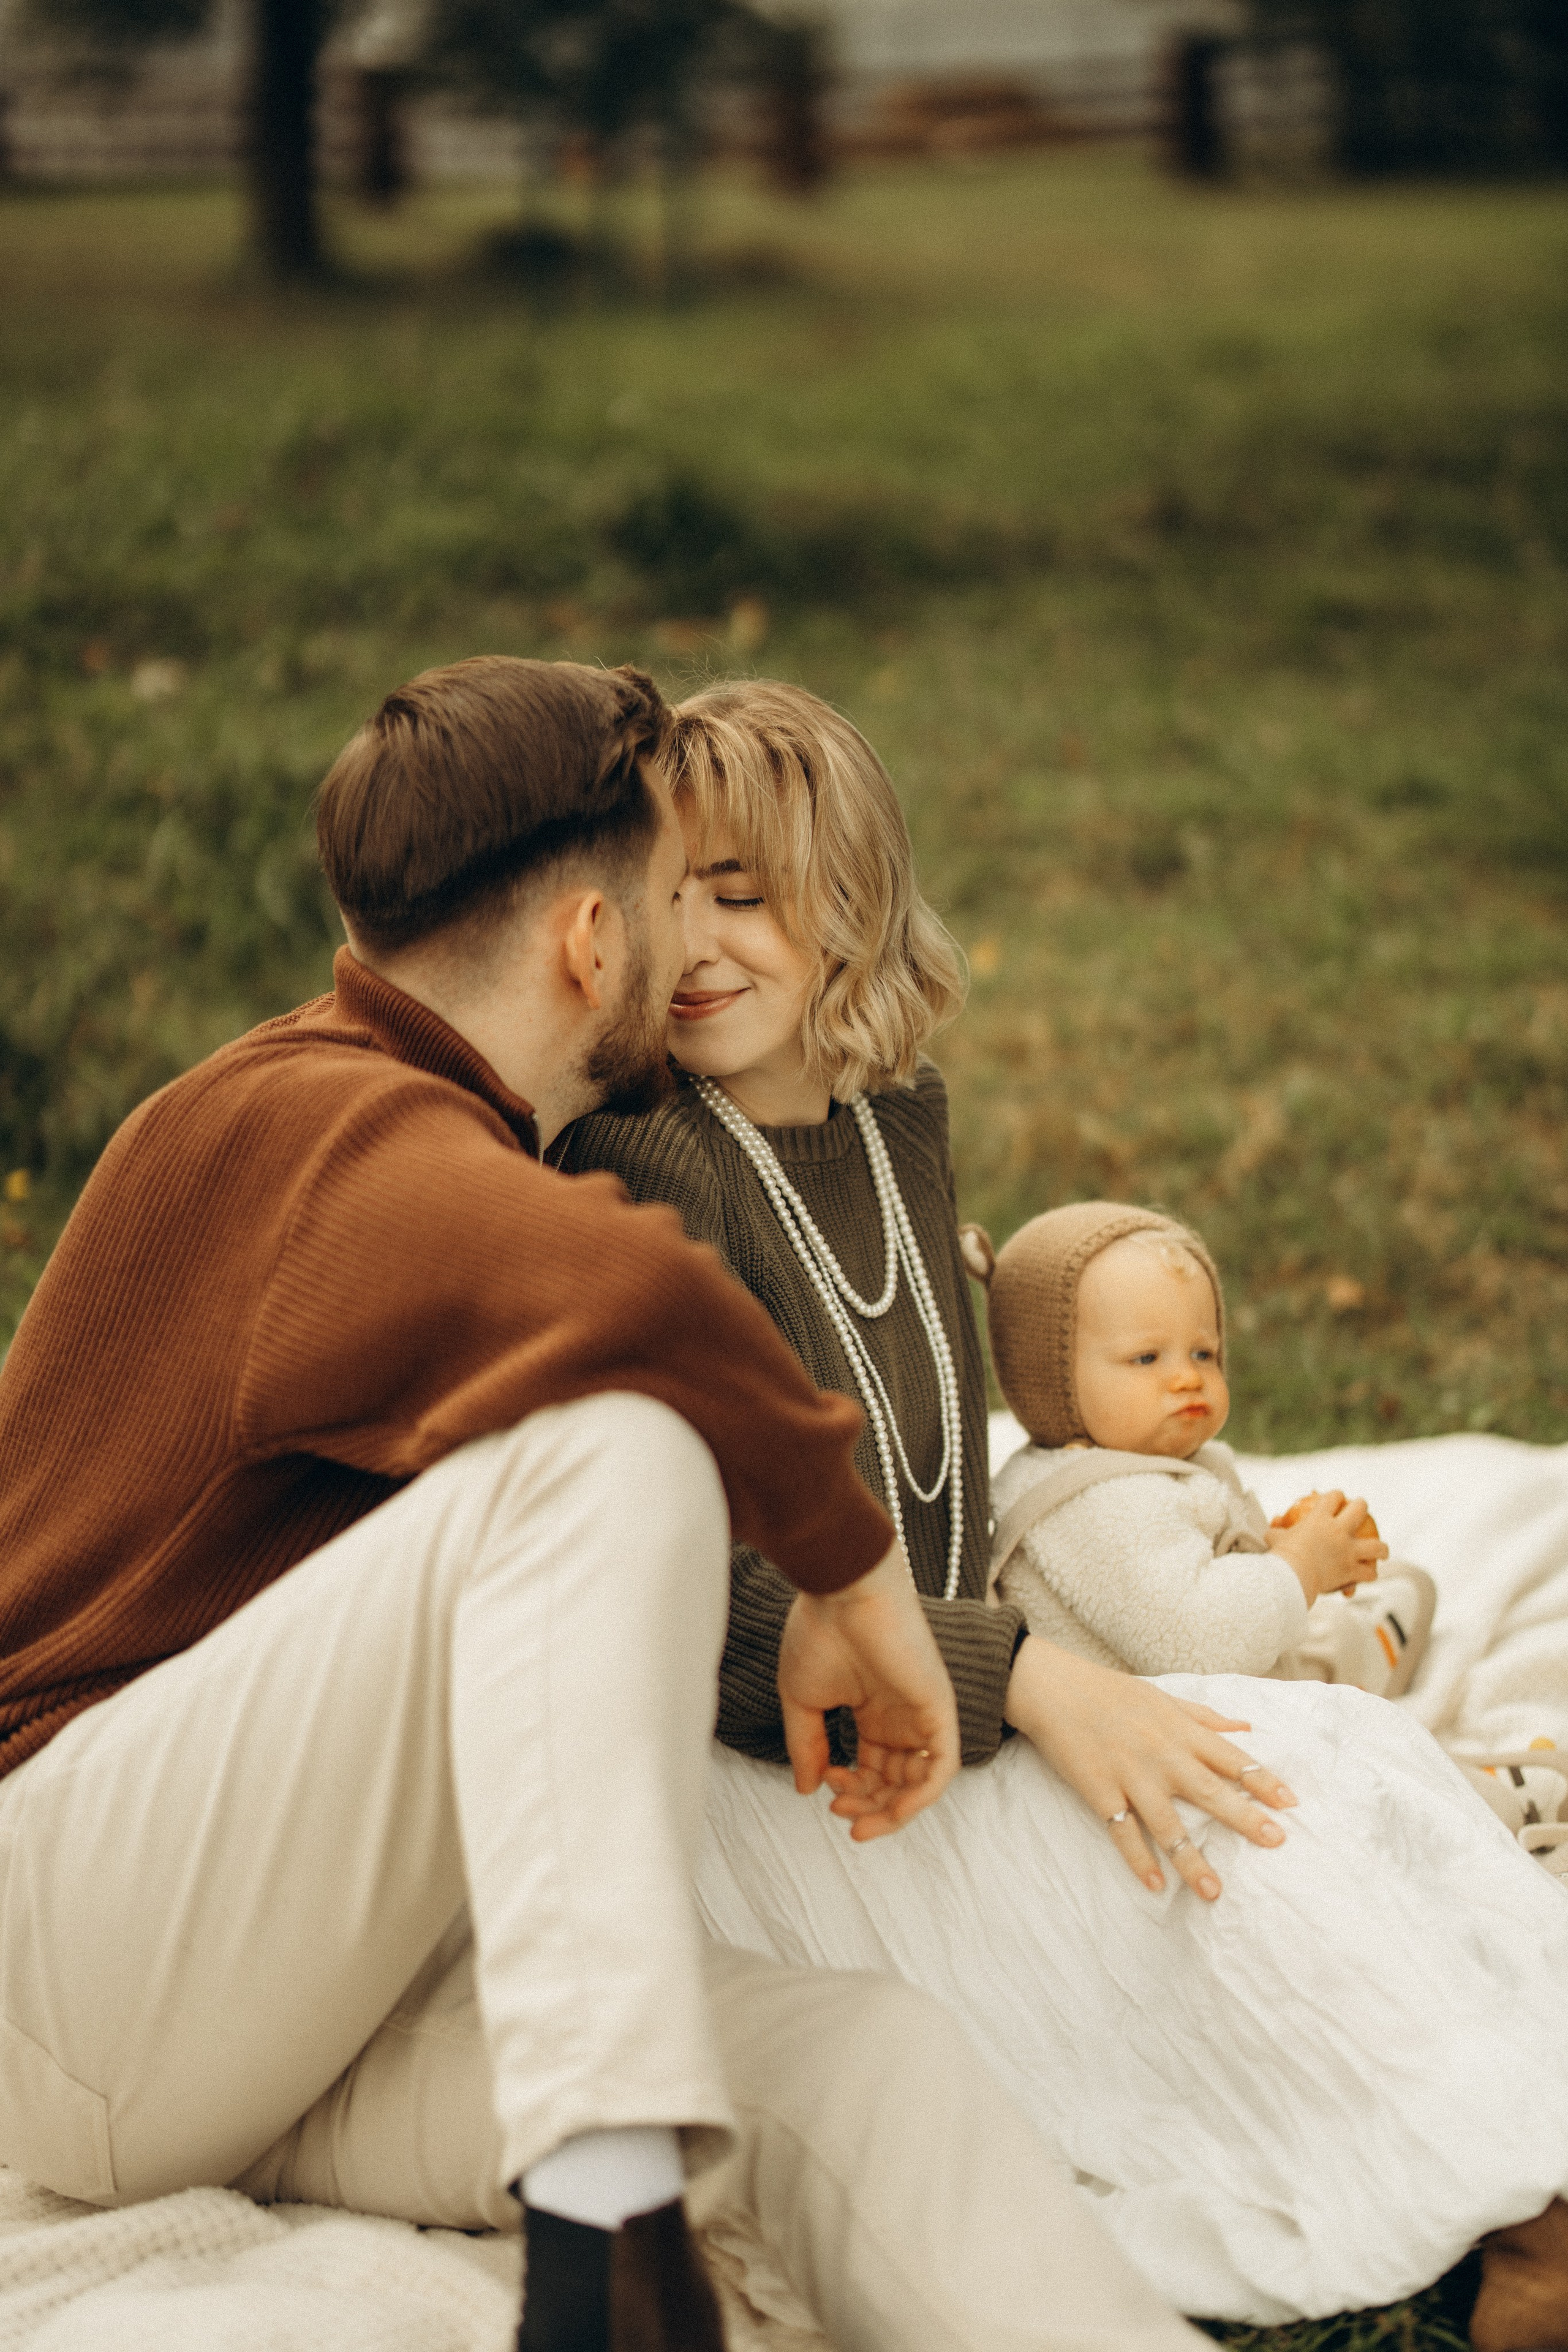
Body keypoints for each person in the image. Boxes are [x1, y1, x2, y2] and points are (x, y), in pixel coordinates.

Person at [0, 657, 1212, 2352]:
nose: (696, 942)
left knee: (864, 2067)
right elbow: (637, 1304)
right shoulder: (304, 1121)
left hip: (295, 2012)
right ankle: (613, 2262)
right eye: (669, 895)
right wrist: (862, 1589)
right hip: (68, 1953)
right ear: (588, 945)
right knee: (614, 1452)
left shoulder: (437, 1141)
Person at [562, 675, 1568, 2352]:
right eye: (662, 900)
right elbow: (703, 1610)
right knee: (1268, 1807)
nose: (697, 944)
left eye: (739, 892)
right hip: (792, 1769)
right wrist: (1038, 1676)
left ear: (849, 904)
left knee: (1334, 1770)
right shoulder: (648, 1160)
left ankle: (1526, 2168)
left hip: (959, 1692)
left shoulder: (894, 1125)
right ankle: (1521, 2218)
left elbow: (947, 1442)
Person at [972, 1200, 1438, 1698]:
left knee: (1311, 1630)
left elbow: (1188, 1575)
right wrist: (1301, 1566)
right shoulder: (1103, 1507)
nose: (1188, 1377)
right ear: (1051, 1380)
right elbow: (1204, 1643)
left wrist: (1271, 1551)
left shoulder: (1117, 1465)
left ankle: (1352, 1649)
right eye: (1146, 1357)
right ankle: (1365, 1670)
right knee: (1323, 1723)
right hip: (1171, 1720)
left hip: (1191, 1687)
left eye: (1204, 1353)